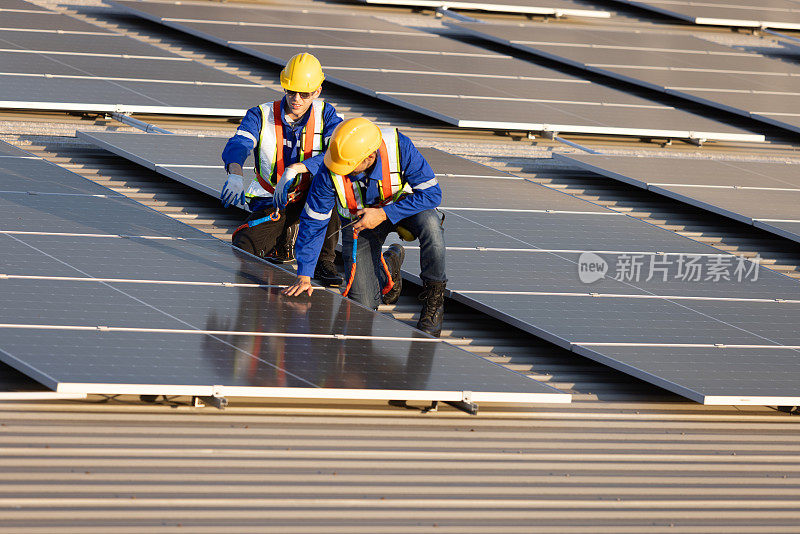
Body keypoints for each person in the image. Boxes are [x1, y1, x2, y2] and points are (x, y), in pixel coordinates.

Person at [282, 117, 447, 337]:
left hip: (402, 208)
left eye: (349, 167)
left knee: (431, 224)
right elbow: (314, 221)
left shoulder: (399, 147)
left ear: (370, 156)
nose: (342, 171)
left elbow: (432, 194)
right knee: (364, 304)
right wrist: (304, 274)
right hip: (359, 224)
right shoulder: (332, 165)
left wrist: (384, 213)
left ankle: (434, 300)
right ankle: (388, 265)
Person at [220, 52, 343, 286]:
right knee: (245, 248)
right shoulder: (260, 114)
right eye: (290, 91)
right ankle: (285, 237)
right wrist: (235, 174)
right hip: (272, 198)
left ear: (317, 91)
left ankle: (324, 261)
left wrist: (297, 168)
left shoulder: (326, 115)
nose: (296, 99)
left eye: (304, 94)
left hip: (312, 195)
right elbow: (238, 144)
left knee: (335, 184)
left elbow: (336, 154)